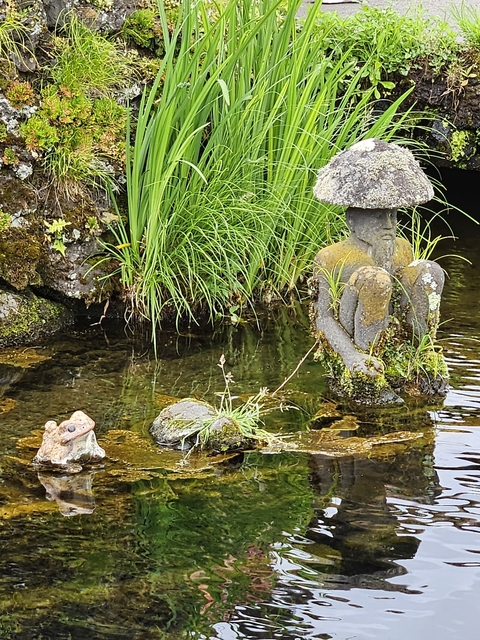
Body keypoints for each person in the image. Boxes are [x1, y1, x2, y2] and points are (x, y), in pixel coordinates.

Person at [311, 206, 445, 380]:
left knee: (431, 271)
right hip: (356, 330)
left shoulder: (402, 248)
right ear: (351, 220)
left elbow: (407, 295)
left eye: (392, 215)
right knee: (375, 279)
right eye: (378, 216)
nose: (388, 224)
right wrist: (350, 355)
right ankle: (369, 362)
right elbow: (323, 317)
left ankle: (418, 354)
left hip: (396, 330)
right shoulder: (330, 257)